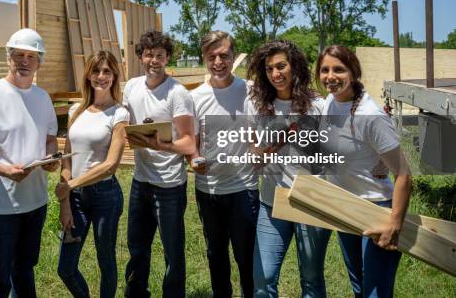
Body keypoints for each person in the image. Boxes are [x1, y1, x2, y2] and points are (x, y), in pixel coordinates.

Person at [0, 28, 60, 298]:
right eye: (19, 54)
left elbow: (50, 140)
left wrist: (51, 159)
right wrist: (5, 170)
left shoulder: (43, 98)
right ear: (9, 57)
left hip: (36, 202)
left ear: (39, 61)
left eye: (31, 56)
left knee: (25, 271)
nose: (25, 61)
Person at [316, 45, 412, 298]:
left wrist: (394, 223)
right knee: (358, 284)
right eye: (325, 70)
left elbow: (404, 174)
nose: (330, 76)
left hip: (376, 209)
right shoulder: (329, 103)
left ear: (354, 72)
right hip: (345, 207)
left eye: (339, 69)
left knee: (375, 292)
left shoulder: (370, 115)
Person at [248, 40, 331, 298]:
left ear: (294, 66)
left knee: (311, 279)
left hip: (312, 202)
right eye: (269, 68)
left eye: (281, 66)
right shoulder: (260, 106)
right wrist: (259, 154)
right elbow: (253, 150)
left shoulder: (319, 106)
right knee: (264, 279)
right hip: (272, 202)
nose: (275, 74)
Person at [122, 30, 196, 298]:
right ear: (141, 56)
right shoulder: (131, 87)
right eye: (149, 54)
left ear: (167, 59)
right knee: (137, 247)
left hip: (169, 186)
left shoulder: (178, 93)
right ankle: (136, 293)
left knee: (172, 252)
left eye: (160, 55)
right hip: (141, 182)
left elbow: (189, 143)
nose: (154, 60)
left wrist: (161, 146)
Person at [188, 31, 259, 297]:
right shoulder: (195, 98)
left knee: (246, 256)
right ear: (204, 58)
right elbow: (191, 141)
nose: (218, 62)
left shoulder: (249, 90)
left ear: (233, 57)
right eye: (212, 56)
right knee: (216, 254)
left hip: (244, 189)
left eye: (224, 56)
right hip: (209, 190)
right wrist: (193, 159)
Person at [54, 50, 129, 298]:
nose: (101, 76)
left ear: (114, 76)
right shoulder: (76, 109)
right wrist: (65, 201)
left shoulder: (119, 114)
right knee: (65, 268)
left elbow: (110, 165)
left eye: (107, 71)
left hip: (106, 196)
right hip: (75, 199)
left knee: (105, 261)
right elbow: (67, 159)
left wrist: (71, 184)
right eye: (96, 71)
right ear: (88, 75)